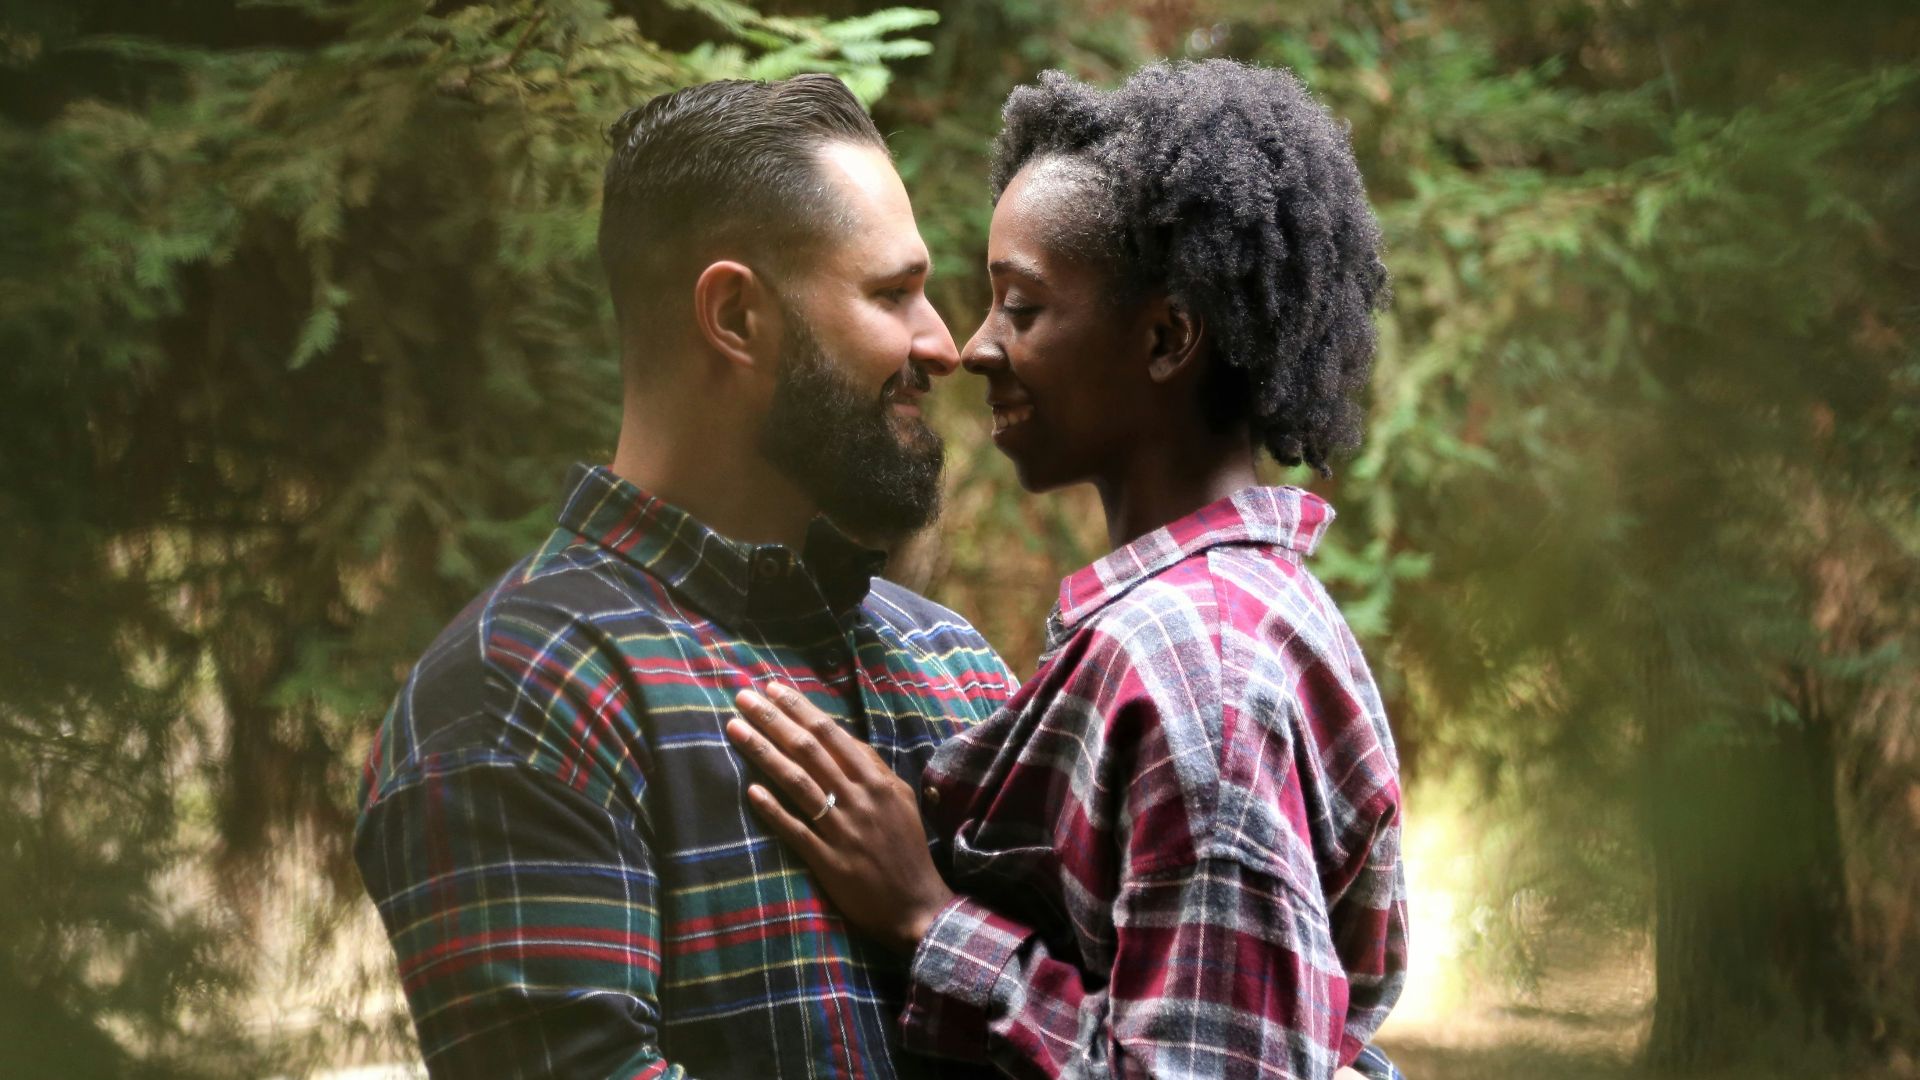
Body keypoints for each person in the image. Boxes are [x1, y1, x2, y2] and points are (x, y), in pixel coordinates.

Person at [726, 61, 1409, 1079]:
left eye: (1022, 307)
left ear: (1167, 337)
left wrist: (927, 916)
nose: (973, 346)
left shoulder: (1198, 674)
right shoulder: (1241, 619)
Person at [352, 75, 1022, 1078]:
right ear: (737, 316)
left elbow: (1132, 1025)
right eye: (891, 294)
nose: (945, 343)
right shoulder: (519, 693)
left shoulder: (956, 667)